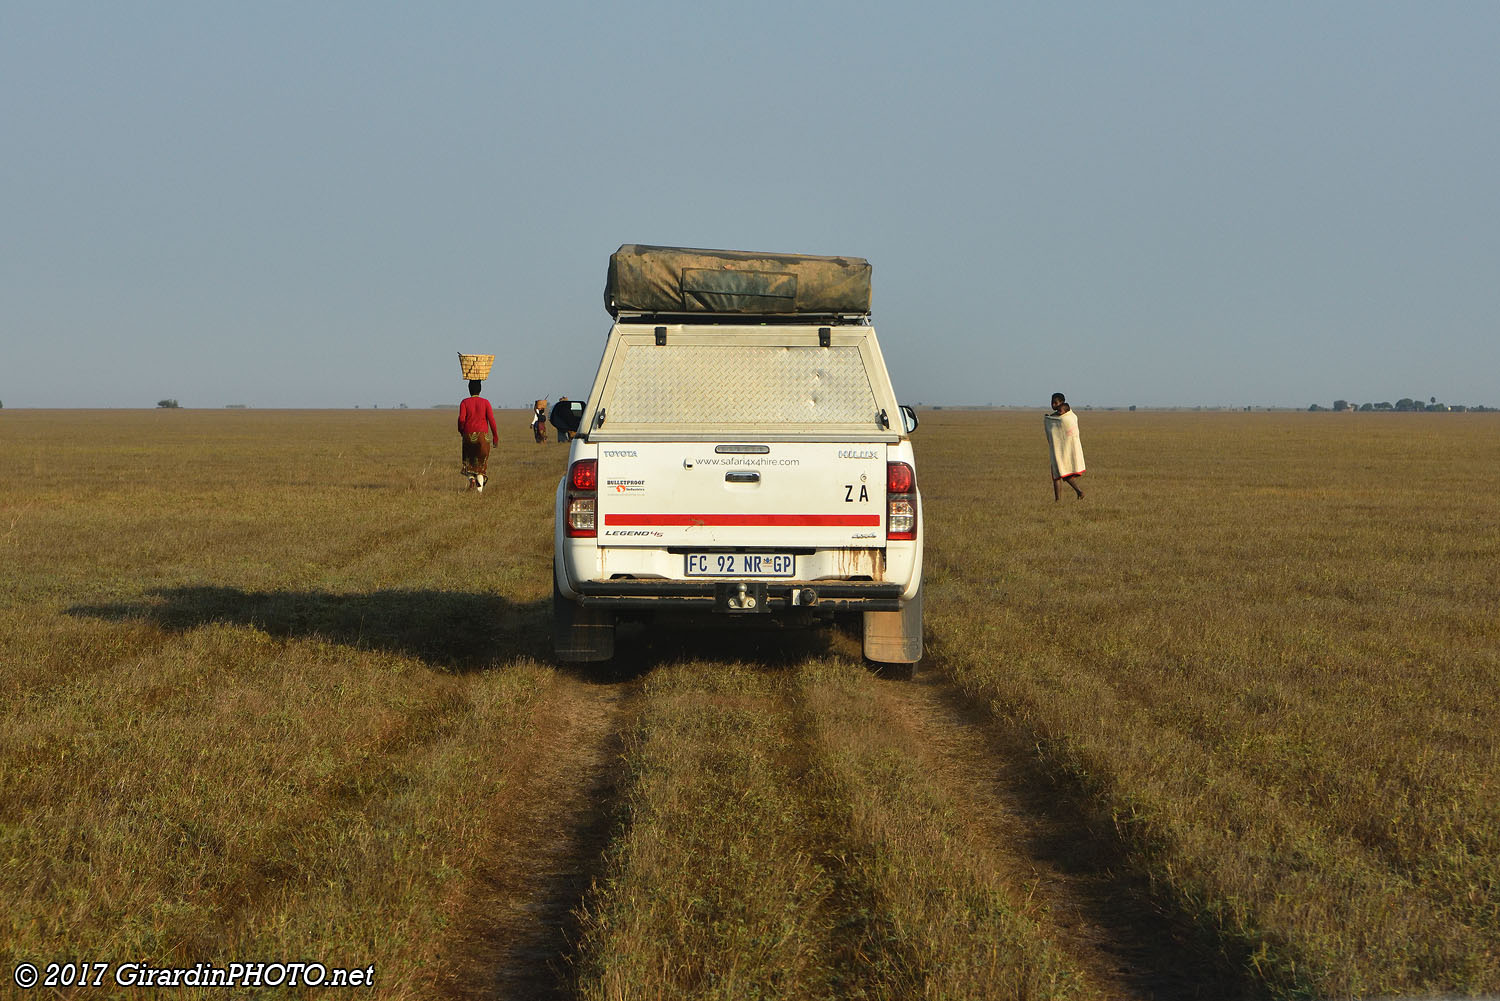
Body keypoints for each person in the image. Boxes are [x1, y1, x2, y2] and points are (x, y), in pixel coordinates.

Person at [458, 380, 500, 492]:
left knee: (469, 461)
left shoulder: (464, 402)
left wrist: (462, 432)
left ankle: (471, 478)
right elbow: (492, 420)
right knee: (481, 465)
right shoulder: (485, 402)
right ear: (480, 390)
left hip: (468, 435)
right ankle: (480, 493)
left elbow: (461, 419)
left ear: (469, 389)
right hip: (483, 436)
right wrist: (495, 437)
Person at [1044, 392, 1085, 500]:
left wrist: (1048, 419)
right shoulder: (1057, 416)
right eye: (1052, 402)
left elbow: (1063, 423)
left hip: (1064, 450)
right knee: (1057, 474)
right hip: (1061, 449)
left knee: (1062, 473)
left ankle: (1078, 492)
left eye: (1055, 402)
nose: (1053, 405)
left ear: (1062, 403)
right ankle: (1060, 499)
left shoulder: (1066, 415)